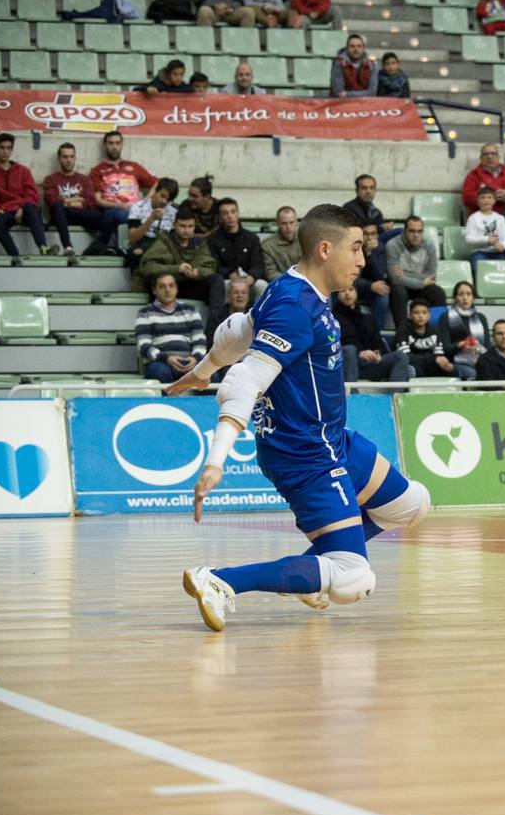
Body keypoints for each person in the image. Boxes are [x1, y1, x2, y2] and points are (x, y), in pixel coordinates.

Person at [174, 205, 431, 631]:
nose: (363, 261)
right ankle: (219, 580)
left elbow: (240, 331)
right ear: (326, 250)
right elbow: (245, 379)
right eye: (356, 249)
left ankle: (313, 573)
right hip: (305, 455)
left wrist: (200, 372)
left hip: (333, 439)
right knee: (353, 579)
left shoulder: (294, 288)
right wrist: (216, 459)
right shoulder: (296, 305)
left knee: (411, 505)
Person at [137, 206, 225, 311]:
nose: (186, 230)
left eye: (190, 226)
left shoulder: (199, 244)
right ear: (175, 225)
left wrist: (197, 272)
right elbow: (147, 267)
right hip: (168, 287)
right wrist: (178, 269)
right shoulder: (164, 242)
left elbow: (210, 266)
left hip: (191, 285)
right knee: (160, 281)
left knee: (217, 280)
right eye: (182, 226)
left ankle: (214, 326)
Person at [334, 284, 411, 385]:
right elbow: (333, 347)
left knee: (401, 356)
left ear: (356, 292)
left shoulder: (368, 319)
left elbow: (379, 343)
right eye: (342, 291)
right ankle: (351, 396)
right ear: (336, 295)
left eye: (351, 289)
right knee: (350, 350)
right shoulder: (332, 319)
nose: (347, 293)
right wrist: (359, 354)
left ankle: (394, 398)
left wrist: (377, 355)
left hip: (369, 366)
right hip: (347, 365)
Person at [137, 273, 206, 384]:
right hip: (161, 362)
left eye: (171, 285)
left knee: (210, 374)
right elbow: (143, 345)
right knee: (160, 372)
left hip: (190, 361)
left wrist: (195, 358)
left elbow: (200, 340)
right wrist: (166, 358)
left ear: (176, 289)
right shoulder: (145, 313)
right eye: (162, 286)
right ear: (154, 290)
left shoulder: (191, 310)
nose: (167, 290)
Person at [89, 130, 155, 246]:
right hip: (113, 209)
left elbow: (158, 183)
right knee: (125, 216)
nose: (114, 147)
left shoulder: (134, 166)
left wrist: (145, 201)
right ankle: (134, 245)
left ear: (122, 145)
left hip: (136, 209)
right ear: (105, 145)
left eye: (117, 143)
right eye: (111, 143)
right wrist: (120, 205)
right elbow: (98, 201)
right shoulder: (97, 170)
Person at [0, 133, 49, 257]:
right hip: (7, 212)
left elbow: (32, 195)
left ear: (12, 149)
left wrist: (21, 208)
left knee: (30, 206)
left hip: (25, 211)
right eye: (2, 147)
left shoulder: (23, 171)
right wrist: (0, 209)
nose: (5, 152)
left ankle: (43, 247)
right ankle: (15, 256)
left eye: (8, 148)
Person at [386, 215, 445, 328]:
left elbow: (431, 277)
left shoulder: (429, 245)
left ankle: (437, 331)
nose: (416, 235)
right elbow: (395, 278)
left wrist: (405, 274)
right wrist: (422, 282)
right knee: (398, 291)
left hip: (414, 285)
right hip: (401, 286)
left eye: (419, 231)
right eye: (412, 231)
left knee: (438, 292)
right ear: (405, 231)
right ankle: (402, 331)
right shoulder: (392, 245)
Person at [208, 197, 267, 302]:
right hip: (227, 279)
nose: (230, 216)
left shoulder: (251, 238)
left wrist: (252, 276)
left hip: (248, 278)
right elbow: (213, 264)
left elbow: (259, 263)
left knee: (261, 285)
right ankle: (225, 317)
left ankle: (260, 317)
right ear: (220, 217)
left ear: (238, 213)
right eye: (225, 213)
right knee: (223, 285)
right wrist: (229, 274)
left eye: (233, 212)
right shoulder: (213, 239)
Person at [436, 281, 491, 381]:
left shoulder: (481, 318)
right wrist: (460, 345)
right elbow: (444, 349)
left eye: (469, 294)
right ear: (455, 298)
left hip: (480, 362)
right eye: (461, 294)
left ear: (473, 297)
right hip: (455, 363)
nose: (465, 298)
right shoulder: (445, 317)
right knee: (474, 374)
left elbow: (488, 348)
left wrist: (478, 349)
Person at [395, 297, 454, 377]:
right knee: (414, 371)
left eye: (424, 312)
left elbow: (439, 354)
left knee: (453, 370)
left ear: (429, 316)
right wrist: (434, 359)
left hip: (430, 365)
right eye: (416, 312)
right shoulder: (403, 330)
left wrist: (444, 363)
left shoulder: (434, 330)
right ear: (410, 316)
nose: (420, 316)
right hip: (412, 365)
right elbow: (406, 357)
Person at [125, 176, 179, 263]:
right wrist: (150, 219)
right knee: (135, 254)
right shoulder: (138, 207)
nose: (164, 202)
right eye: (162, 196)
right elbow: (133, 238)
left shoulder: (174, 212)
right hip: (141, 243)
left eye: (168, 199)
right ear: (155, 191)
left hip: (162, 245)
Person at [461, 143, 505, 216]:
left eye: (493, 153)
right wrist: (490, 197)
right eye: (486, 154)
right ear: (481, 158)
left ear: (498, 157)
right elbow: (466, 198)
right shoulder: (473, 175)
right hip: (482, 219)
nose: (489, 156)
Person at [463, 186, 505, 264]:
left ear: (494, 201)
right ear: (477, 201)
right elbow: (468, 238)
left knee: (504, 263)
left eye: (489, 197)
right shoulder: (473, 218)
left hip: (497, 252)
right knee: (478, 263)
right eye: (482, 198)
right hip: (479, 252)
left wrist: (503, 245)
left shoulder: (500, 218)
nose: (486, 200)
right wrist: (486, 239)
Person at [330, 34, 379, 98]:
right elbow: (339, 92)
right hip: (343, 104)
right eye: (352, 46)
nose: (356, 49)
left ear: (363, 48)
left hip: (365, 105)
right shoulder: (339, 63)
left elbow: (372, 93)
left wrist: (348, 94)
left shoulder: (372, 65)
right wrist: (363, 94)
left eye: (359, 46)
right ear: (347, 48)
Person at [260, 206, 300, 282]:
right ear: (277, 223)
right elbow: (270, 273)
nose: (288, 227)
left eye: (291, 222)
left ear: (296, 222)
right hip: (281, 285)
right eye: (284, 223)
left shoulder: (306, 239)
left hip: (307, 284)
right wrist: (291, 281)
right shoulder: (268, 245)